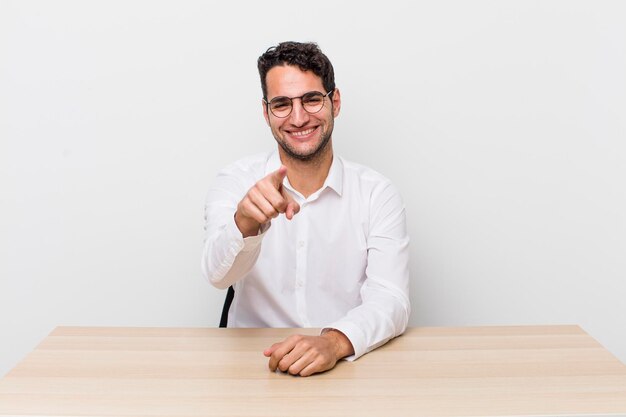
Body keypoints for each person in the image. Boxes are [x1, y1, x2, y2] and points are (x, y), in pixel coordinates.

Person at [201, 41, 410, 377]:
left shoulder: (376, 192)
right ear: (266, 112)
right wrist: (245, 224)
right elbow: (217, 275)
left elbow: (391, 298)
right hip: (251, 367)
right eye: (282, 104)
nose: (298, 118)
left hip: (345, 365)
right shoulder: (235, 180)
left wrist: (335, 341)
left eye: (311, 99)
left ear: (335, 102)